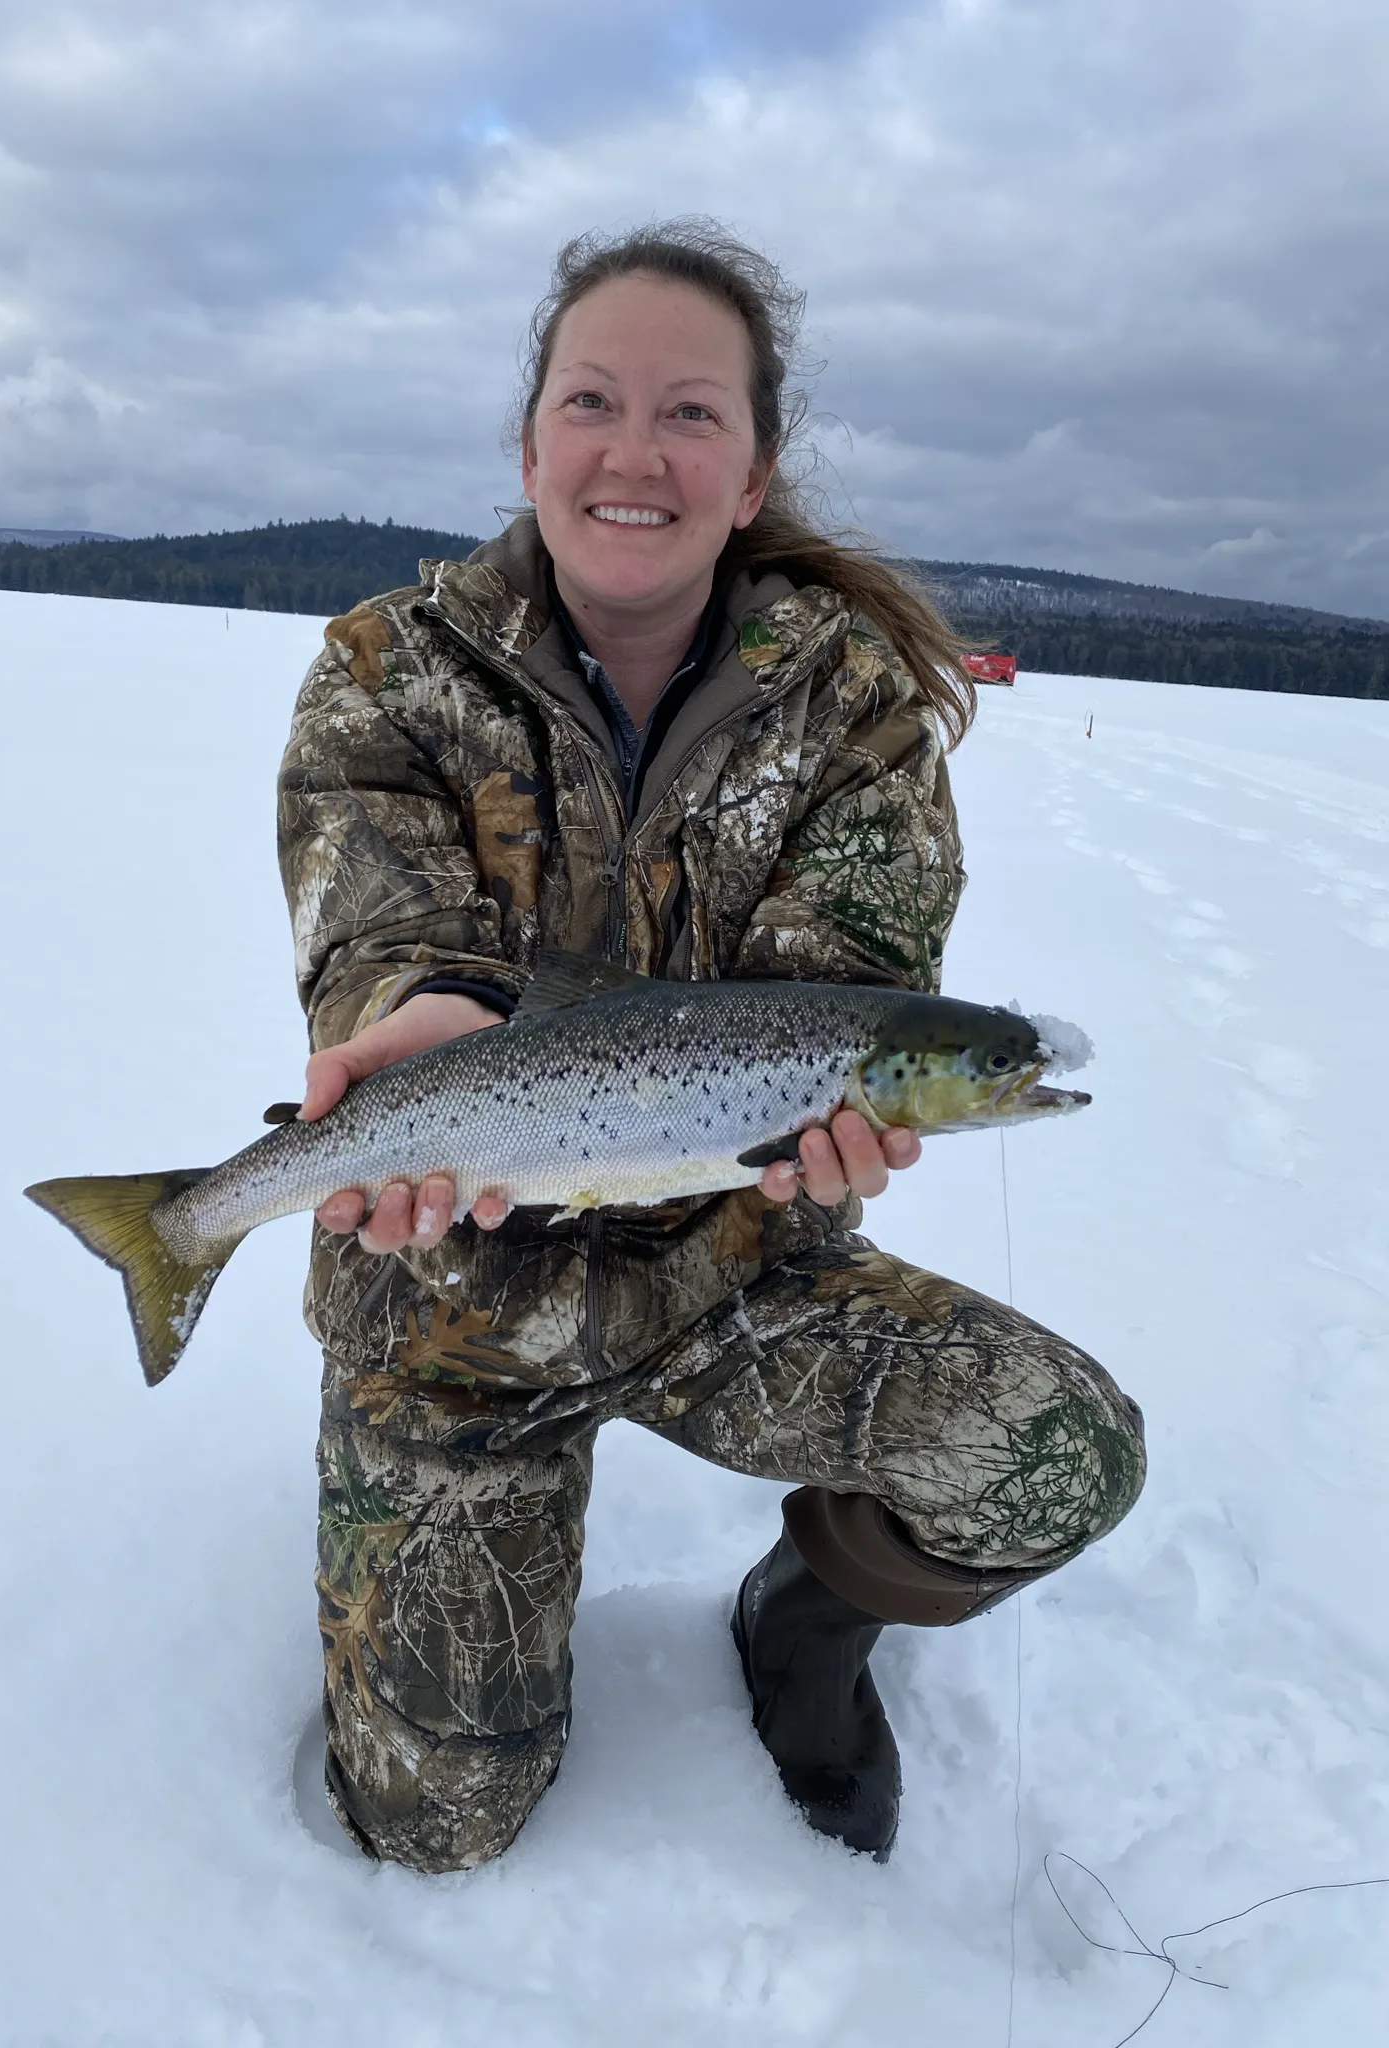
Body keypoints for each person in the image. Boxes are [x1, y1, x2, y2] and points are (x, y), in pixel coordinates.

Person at [277, 220, 1145, 1874]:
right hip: (455, 1281)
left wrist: (841, 1132)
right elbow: (382, 945)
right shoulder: (386, 675)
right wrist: (417, 1031)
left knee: (1059, 1453)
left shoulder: (860, 701)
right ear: (530, 443)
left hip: (737, 1274)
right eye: (594, 401)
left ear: (753, 474)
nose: (635, 452)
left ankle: (806, 1623)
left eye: (693, 415)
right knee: (435, 1831)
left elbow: (857, 980)